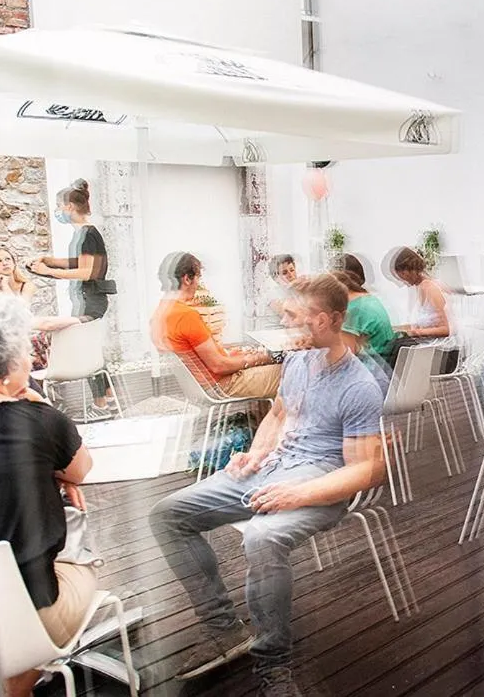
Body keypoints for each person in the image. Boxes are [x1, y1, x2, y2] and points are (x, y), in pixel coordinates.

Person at [149, 274, 385, 690]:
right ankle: (224, 628)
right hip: (273, 466)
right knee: (167, 515)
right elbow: (278, 414)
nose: (289, 324)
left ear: (328, 320)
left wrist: (298, 493)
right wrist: (258, 451)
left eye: (298, 317)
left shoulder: (360, 386)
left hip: (319, 480)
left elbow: (364, 471)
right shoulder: (297, 359)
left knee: (262, 537)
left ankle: (272, 663)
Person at [0, 290, 95, 697]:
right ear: (8, 363)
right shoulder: (40, 420)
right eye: (28, 352)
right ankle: (18, 684)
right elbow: (82, 471)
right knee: (85, 553)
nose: (33, 361)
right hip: (34, 614)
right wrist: (57, 468)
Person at [28, 179, 116, 414]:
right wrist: (50, 261)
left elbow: (88, 271)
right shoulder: (81, 234)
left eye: (59, 206)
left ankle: (102, 404)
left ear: (69, 207)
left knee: (86, 351)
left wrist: (50, 271)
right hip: (85, 301)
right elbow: (77, 264)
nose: (57, 211)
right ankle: (109, 399)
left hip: (91, 302)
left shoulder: (88, 234)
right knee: (91, 350)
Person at [152, 252, 282, 398]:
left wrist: (235, 355)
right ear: (187, 279)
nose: (198, 284)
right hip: (221, 386)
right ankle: (276, 420)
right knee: (293, 371)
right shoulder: (186, 315)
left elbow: (203, 357)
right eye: (198, 277)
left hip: (201, 388)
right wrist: (256, 359)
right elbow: (219, 366)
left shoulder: (160, 313)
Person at [334, 253, 396, 363]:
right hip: (382, 366)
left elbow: (343, 356)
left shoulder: (354, 309)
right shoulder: (369, 299)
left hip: (371, 370)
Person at [391, 247, 450, 339]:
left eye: (402, 275)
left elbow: (446, 329)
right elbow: (423, 324)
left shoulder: (430, 288)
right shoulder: (421, 287)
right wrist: (395, 328)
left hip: (437, 345)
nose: (402, 280)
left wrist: (414, 332)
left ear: (409, 270)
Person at [261, 254, 298, 329]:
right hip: (273, 335)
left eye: (292, 270)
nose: (290, 275)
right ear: (276, 278)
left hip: (290, 333)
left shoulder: (297, 291)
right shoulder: (272, 294)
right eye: (284, 273)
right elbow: (291, 317)